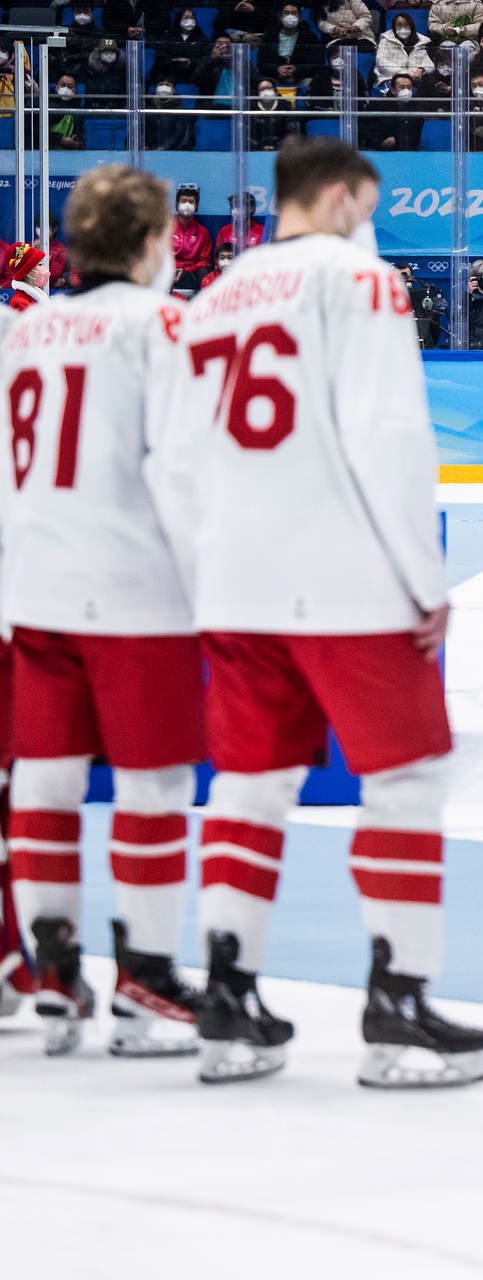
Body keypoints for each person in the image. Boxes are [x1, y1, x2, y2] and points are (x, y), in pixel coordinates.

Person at [152, 138, 483, 1089]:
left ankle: (227, 1002)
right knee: (407, 780)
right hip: (344, 576)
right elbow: (389, 435)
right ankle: (398, 1005)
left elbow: (171, 464)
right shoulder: (362, 281)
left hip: (235, 577)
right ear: (343, 198)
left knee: (247, 787)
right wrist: (425, 580)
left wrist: (201, 575)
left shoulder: (210, 297)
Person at [0, 166, 207, 1060]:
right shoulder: (165, 326)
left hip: (35, 583)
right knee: (151, 787)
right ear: (157, 240)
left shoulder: (26, 327)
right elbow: (186, 471)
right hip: (135, 590)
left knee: (42, 781)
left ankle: (50, 973)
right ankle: (147, 977)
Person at [376, 13, 437, 88]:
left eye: (406, 25)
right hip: (391, 78)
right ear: (394, 27)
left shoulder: (420, 42)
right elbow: (381, 62)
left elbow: (429, 64)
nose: (403, 28)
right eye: (399, 25)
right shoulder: (385, 41)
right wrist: (405, 73)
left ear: (411, 26)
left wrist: (421, 69)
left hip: (415, 80)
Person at [368, 73, 427, 150]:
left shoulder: (416, 106)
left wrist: (397, 139)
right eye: (402, 87)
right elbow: (368, 128)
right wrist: (379, 142)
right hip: (380, 150)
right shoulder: (378, 105)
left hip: (408, 151)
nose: (406, 90)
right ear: (393, 90)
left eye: (409, 88)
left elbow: (414, 133)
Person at [398, 262, 449, 348]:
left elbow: (434, 330)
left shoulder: (424, 296)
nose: (402, 280)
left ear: (412, 279)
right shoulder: (384, 297)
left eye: (405, 277)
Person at [172, 185, 214, 286]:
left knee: (204, 272)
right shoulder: (166, 229)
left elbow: (204, 262)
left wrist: (186, 271)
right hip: (170, 271)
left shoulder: (202, 232)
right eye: (183, 201)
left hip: (192, 273)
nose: (187, 205)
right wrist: (175, 268)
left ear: (196, 206)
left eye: (191, 202)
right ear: (177, 204)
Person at [5, 245, 51, 311]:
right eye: (40, 265)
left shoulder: (32, 298)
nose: (44, 269)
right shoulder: (20, 303)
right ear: (27, 271)